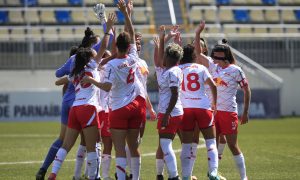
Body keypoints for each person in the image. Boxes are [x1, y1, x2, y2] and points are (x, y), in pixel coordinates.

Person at [47, 13, 116, 180]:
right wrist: (107, 30)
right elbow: (106, 44)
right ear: (90, 57)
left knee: (66, 145)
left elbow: (59, 82)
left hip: (75, 109)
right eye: (94, 52)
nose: (96, 52)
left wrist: (71, 77)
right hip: (88, 107)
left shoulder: (76, 71)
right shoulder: (93, 65)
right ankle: (94, 177)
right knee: (94, 146)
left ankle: (53, 174)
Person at [81, 1, 145, 179]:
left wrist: (92, 80)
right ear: (130, 46)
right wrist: (127, 14)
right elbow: (131, 33)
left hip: (118, 107)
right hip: (136, 106)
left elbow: (107, 86)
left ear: (116, 46)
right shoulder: (134, 57)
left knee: (119, 149)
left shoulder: (111, 65)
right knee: (134, 146)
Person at [195, 21, 251, 180]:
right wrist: (198, 33)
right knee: (213, 144)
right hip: (214, 112)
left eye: (216, 57)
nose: (213, 60)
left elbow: (246, 89)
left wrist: (245, 112)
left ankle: (243, 177)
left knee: (233, 145)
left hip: (229, 112)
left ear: (224, 58)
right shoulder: (213, 67)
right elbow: (198, 54)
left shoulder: (236, 70)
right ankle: (214, 173)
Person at [178, 40, 219, 180]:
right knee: (211, 141)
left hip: (186, 108)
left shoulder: (178, 69)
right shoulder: (201, 68)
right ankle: (213, 172)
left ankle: (186, 176)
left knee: (186, 145)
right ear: (195, 56)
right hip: (203, 107)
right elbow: (213, 86)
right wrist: (214, 103)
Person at [153, 25, 184, 180]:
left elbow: (174, 94)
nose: (161, 57)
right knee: (163, 145)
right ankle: (161, 175)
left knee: (165, 145)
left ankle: (174, 176)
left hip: (170, 112)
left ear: (169, 58)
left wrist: (166, 114)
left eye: (164, 55)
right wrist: (163, 37)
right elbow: (159, 56)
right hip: (170, 111)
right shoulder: (168, 69)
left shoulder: (173, 72)